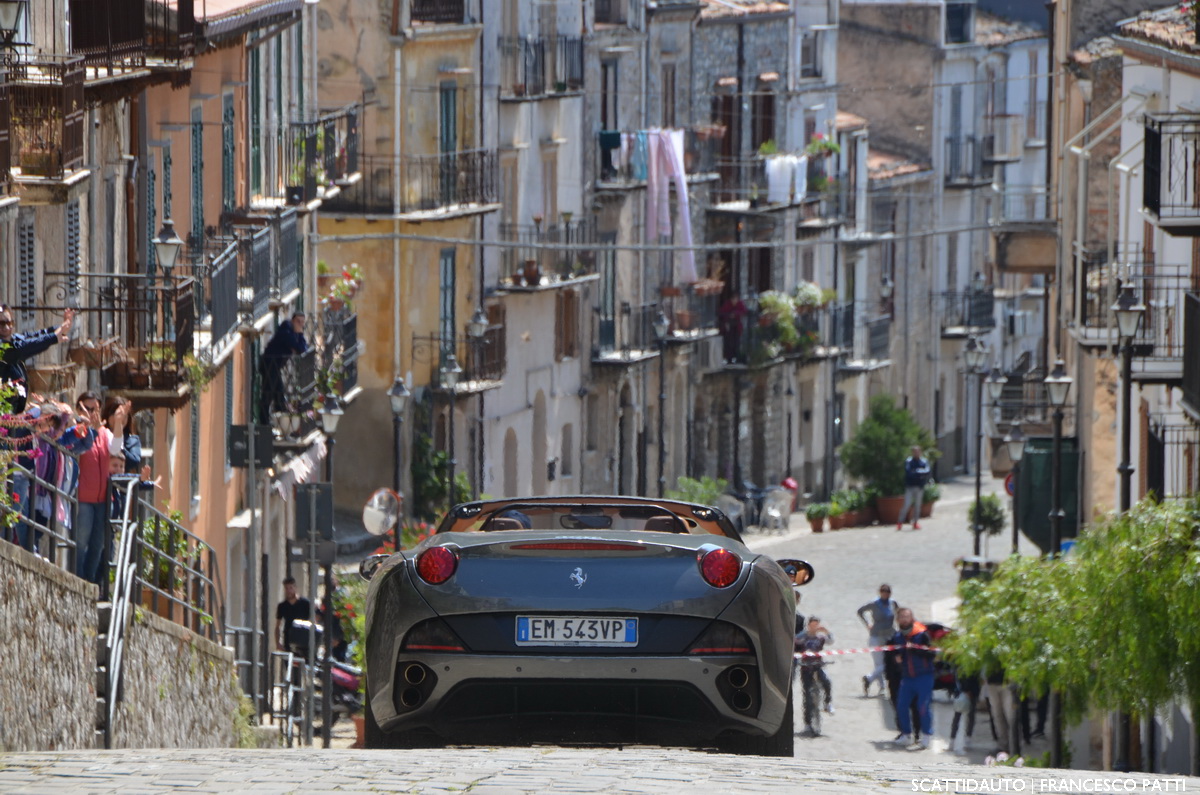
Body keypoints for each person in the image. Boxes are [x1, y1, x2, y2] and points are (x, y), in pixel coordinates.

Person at [68, 392, 112, 585]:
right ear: (78, 409)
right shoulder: (75, 430)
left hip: (103, 498)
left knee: (98, 544)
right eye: (87, 408)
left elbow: (117, 449)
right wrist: (87, 428)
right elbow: (76, 449)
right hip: (84, 497)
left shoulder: (105, 433)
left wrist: (116, 425)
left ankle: (90, 581)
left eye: (95, 409)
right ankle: (78, 580)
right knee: (80, 541)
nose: (92, 413)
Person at [0, 305, 74, 415]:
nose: (6, 327)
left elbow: (36, 336)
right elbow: (21, 349)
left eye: (9, 323)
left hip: (14, 411)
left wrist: (60, 328)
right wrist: (53, 337)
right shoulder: (3, 347)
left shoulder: (15, 339)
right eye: (1, 324)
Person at [890, 607, 937, 749]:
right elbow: (898, 654)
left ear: (912, 618)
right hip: (907, 677)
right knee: (901, 706)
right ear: (898, 620)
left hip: (924, 676)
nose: (904, 619)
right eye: (902, 617)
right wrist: (897, 659)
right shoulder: (897, 637)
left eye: (907, 616)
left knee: (923, 706)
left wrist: (915, 649)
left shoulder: (922, 635)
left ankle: (927, 735)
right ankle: (906, 734)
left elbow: (931, 654)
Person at [258, 312, 308, 424]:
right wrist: (299, 335)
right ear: (292, 321)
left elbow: (303, 348)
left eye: (302, 322)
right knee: (268, 394)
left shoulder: (294, 332)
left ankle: (280, 423)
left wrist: (299, 335)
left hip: (276, 367)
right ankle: (264, 424)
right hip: (269, 365)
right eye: (298, 321)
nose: (300, 324)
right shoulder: (286, 330)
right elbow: (298, 348)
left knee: (279, 395)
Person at [794, 616, 834, 733]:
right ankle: (807, 723)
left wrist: (827, 631)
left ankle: (827, 702)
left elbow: (831, 641)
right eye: (812, 625)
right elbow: (795, 640)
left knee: (826, 681)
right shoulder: (803, 637)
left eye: (816, 625)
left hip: (818, 665)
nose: (814, 627)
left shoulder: (820, 637)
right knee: (807, 696)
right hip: (806, 667)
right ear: (808, 625)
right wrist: (805, 633)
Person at [857, 584, 899, 697]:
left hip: (889, 636)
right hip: (876, 635)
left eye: (887, 592)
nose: (885, 594)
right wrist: (868, 624)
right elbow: (860, 611)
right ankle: (882, 687)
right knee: (879, 663)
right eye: (883, 592)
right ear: (880, 592)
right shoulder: (874, 603)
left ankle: (869, 678)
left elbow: (898, 614)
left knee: (888, 662)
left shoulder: (892, 603)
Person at [102, 396, 141, 474]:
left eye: (124, 416)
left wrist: (119, 446)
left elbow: (134, 461)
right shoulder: (100, 436)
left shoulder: (133, 440)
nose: (119, 418)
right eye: (116, 414)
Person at [275, 576, 314, 656]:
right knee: (290, 666)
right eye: (286, 588)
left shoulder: (306, 603)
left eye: (291, 588)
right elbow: (278, 625)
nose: (289, 591)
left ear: (295, 588)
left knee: (303, 665)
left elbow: (313, 622)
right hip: (288, 641)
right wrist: (278, 643)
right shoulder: (282, 606)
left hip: (304, 641)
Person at [897, 445, 931, 530]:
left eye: (918, 451)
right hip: (910, 487)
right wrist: (920, 473)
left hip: (919, 487)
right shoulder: (909, 461)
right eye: (914, 452)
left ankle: (915, 522)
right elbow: (909, 473)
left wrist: (916, 472)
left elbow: (927, 471)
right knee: (907, 504)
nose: (916, 453)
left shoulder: (924, 461)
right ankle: (900, 522)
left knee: (917, 506)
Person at [717, 292, 747, 364]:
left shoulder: (740, 304)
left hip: (736, 326)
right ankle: (729, 359)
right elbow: (721, 313)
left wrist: (736, 313)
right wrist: (729, 315)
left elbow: (744, 311)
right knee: (729, 343)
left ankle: (737, 358)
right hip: (728, 327)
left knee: (737, 342)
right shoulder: (727, 304)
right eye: (733, 299)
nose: (734, 301)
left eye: (736, 299)